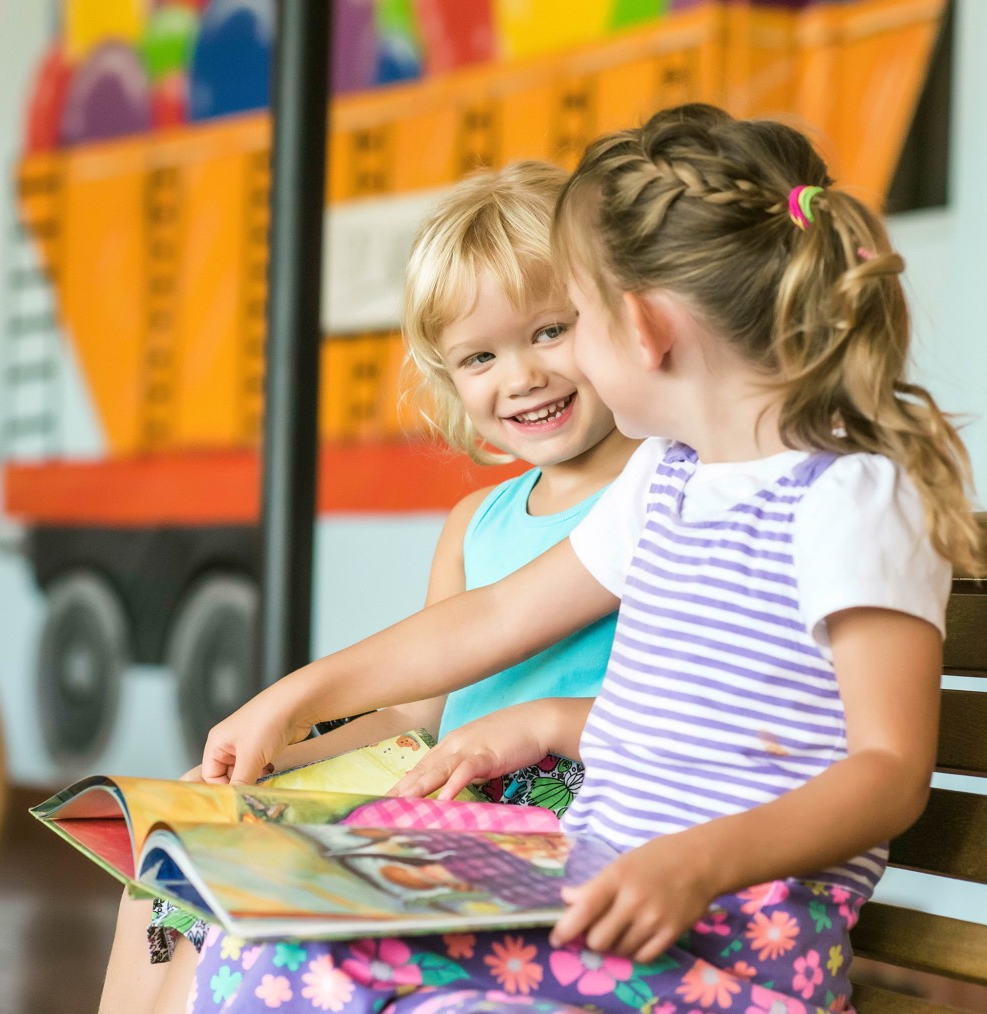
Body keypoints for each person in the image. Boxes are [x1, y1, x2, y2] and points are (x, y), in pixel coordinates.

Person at [190, 102, 982, 1014]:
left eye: (572, 321)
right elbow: (490, 617)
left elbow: (887, 768)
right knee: (268, 937)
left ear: (641, 331)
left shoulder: (852, 500)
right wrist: (293, 699)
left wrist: (698, 860)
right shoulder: (670, 481)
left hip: (735, 933)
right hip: (598, 898)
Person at [96, 160, 637, 1014]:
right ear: (448, 377)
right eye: (481, 355)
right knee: (171, 869)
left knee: (260, 914)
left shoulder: (654, 491)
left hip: (561, 799)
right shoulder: (476, 523)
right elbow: (419, 718)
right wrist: (272, 771)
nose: (521, 376)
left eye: (549, 331)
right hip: (445, 790)